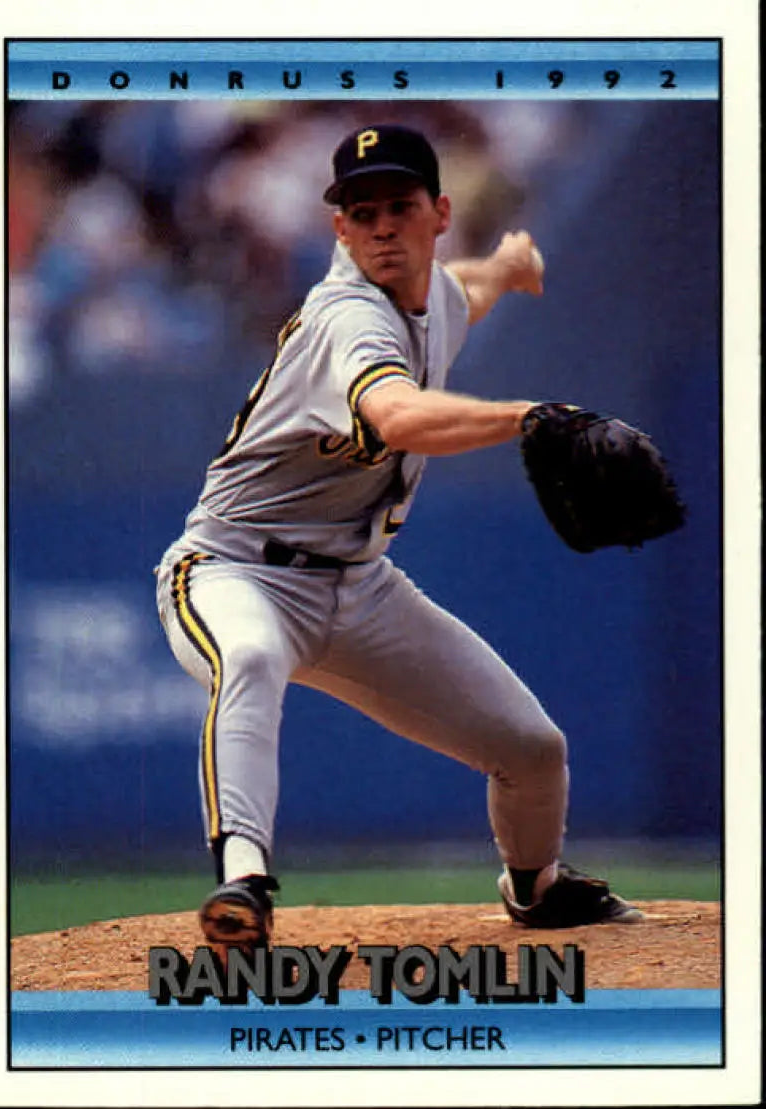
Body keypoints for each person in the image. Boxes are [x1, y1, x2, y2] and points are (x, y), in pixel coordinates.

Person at [156, 124, 643, 956]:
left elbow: (464, 288)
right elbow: (396, 414)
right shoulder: (347, 316)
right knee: (252, 658)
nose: (382, 225)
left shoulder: (435, 297)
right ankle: (243, 879)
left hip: (357, 584)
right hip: (234, 569)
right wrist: (531, 416)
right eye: (361, 211)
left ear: (439, 213)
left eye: (399, 207)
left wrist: (510, 265)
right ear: (339, 230)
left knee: (533, 748)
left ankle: (536, 887)